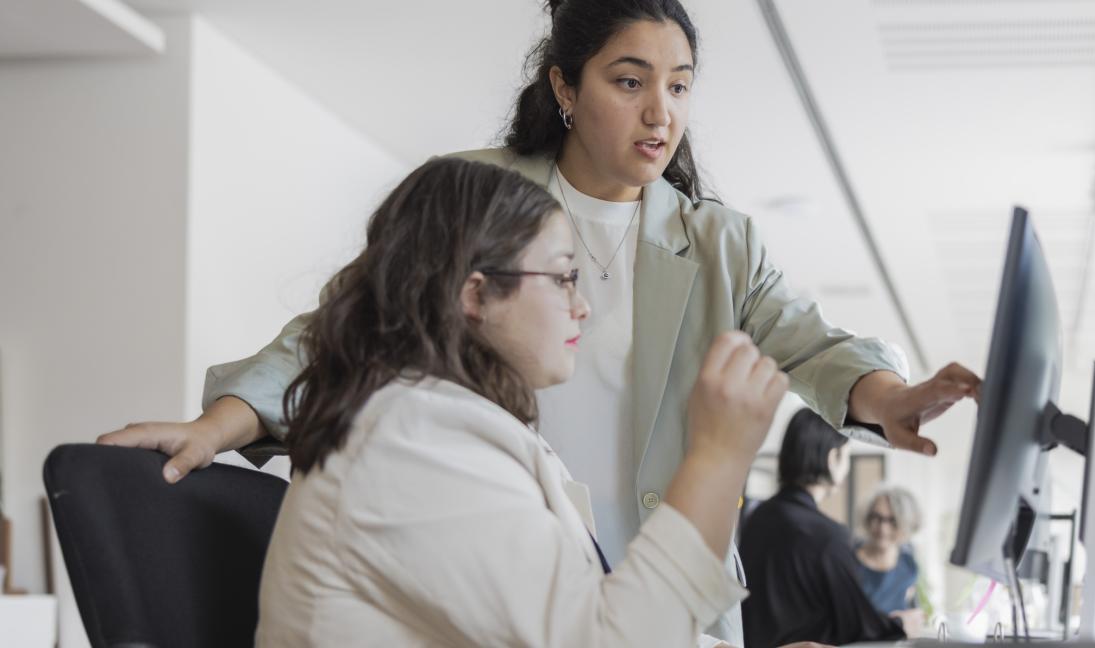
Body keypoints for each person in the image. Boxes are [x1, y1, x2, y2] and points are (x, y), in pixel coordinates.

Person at [99, 0, 981, 643]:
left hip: (642, 587)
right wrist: (223, 422)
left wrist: (889, 397)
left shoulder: (714, 241)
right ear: (565, 85)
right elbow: (347, 323)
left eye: (678, 86)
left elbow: (812, 343)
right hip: (506, 564)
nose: (660, 113)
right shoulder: (481, 205)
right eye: (629, 81)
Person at [255, 156, 784, 647]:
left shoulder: (446, 427)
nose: (581, 309)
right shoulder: (410, 440)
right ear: (475, 294)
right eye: (562, 279)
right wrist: (715, 457)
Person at [739, 409, 921, 646]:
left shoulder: (759, 517)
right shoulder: (827, 536)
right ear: (832, 458)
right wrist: (902, 626)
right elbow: (856, 624)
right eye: (846, 456)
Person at [856, 486, 923, 616]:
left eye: (893, 521)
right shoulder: (847, 561)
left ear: (906, 524)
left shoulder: (908, 565)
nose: (883, 528)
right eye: (876, 517)